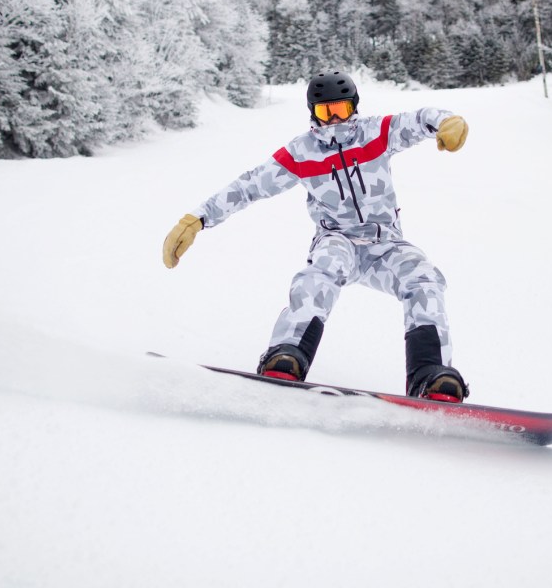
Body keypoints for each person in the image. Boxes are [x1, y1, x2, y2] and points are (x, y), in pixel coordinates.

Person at [162, 71, 470, 402]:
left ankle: (430, 375)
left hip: (386, 245)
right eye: (326, 112)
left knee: (423, 278)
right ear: (313, 112)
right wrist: (197, 219)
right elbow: (249, 186)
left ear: (355, 107)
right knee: (322, 271)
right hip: (337, 239)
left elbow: (420, 118)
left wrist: (447, 122)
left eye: (341, 109)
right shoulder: (301, 152)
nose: (335, 119)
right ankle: (287, 355)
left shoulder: (377, 132)